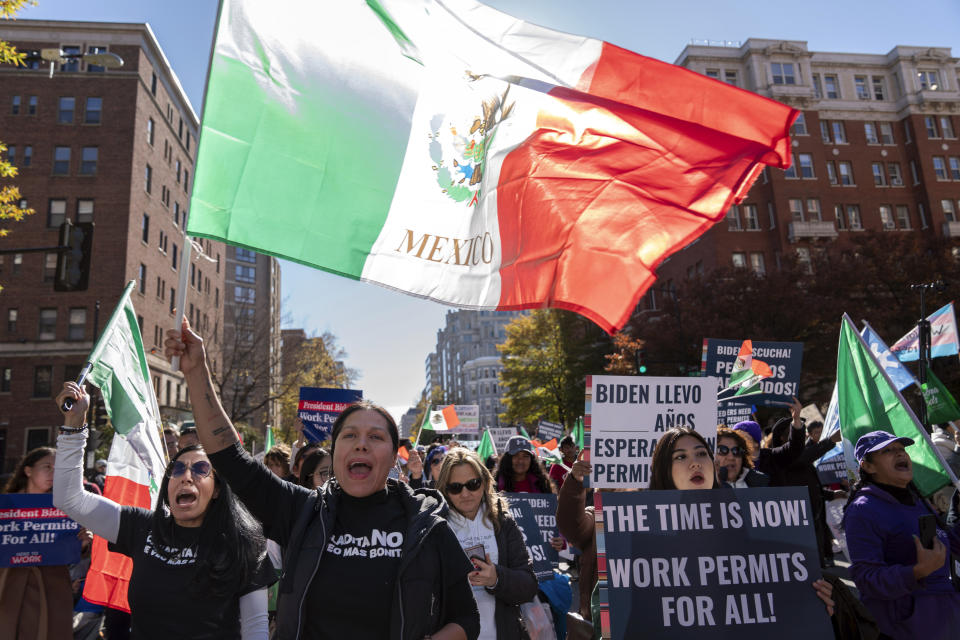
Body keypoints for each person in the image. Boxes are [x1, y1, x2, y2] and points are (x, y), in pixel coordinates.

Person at [165, 319, 480, 640]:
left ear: (391, 456)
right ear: (335, 451)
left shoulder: (427, 527)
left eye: (375, 437)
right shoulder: (302, 511)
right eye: (350, 435)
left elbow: (467, 617)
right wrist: (196, 372)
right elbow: (231, 459)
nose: (361, 444)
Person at [52, 382, 275, 639]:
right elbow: (69, 498)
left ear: (216, 489)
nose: (186, 476)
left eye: (201, 469)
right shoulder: (141, 526)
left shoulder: (245, 544)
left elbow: (255, 628)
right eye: (177, 470)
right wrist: (74, 424)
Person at [559, 427, 835, 634]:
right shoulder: (633, 532)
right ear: (663, 470)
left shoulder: (759, 521)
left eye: (702, 453)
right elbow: (614, 615)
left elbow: (783, 608)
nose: (695, 462)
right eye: (681, 457)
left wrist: (813, 602)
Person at [843, 430, 960, 640]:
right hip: (905, 628)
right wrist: (916, 572)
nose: (900, 454)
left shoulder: (918, 502)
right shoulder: (862, 510)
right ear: (867, 466)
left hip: (946, 619)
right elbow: (865, 579)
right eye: (888, 451)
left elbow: (951, 544)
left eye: (901, 449)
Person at [436, 449, 538, 639]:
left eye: (473, 484)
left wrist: (496, 578)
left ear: (484, 482)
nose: (465, 493)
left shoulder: (503, 522)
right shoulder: (437, 528)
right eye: (456, 487)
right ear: (445, 490)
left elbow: (529, 585)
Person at [0, 446, 74, 639]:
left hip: (52, 585)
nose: (52, 473)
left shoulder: (64, 507)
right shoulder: (5, 506)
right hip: (8, 582)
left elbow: (71, 546)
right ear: (28, 470)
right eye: (47, 466)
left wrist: (82, 543)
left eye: (57, 469)